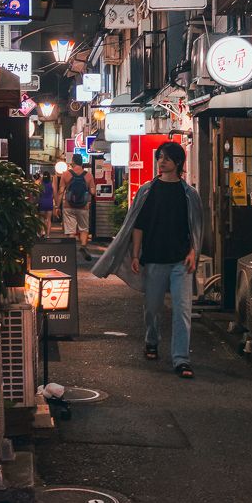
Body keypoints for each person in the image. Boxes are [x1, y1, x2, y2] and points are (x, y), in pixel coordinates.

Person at [92, 142, 203, 378]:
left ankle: (181, 359)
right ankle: (151, 340)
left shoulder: (189, 194)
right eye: (159, 157)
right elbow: (138, 226)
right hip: (154, 259)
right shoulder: (147, 190)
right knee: (152, 309)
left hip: (180, 262)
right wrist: (135, 254)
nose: (161, 162)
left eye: (166, 158)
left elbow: (195, 227)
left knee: (182, 311)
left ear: (178, 163)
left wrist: (194, 251)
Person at [57, 154, 96, 261]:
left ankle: (70, 250)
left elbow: (61, 191)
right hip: (83, 206)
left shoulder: (66, 174)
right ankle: (83, 246)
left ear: (73, 162)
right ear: (82, 162)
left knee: (70, 230)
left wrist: (57, 206)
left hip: (68, 206)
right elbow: (93, 192)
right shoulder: (88, 175)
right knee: (83, 228)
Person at [37, 172, 56, 237]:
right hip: (49, 202)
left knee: (42, 219)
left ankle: (42, 232)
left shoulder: (40, 183)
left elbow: (37, 193)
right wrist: (55, 204)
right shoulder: (52, 183)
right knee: (48, 219)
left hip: (42, 201)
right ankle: (47, 235)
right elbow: (55, 194)